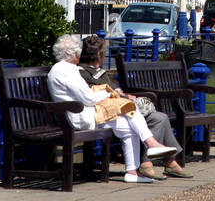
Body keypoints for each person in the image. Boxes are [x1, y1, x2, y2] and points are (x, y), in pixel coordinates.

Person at [47, 34, 178, 183]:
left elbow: (86, 96)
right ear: (75, 54)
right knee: (130, 107)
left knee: (129, 125)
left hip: (83, 114)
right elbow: (89, 99)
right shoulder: (67, 71)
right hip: (79, 118)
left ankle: (132, 171)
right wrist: (107, 92)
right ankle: (151, 144)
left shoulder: (63, 69)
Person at [77, 35, 192, 179]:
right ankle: (147, 163)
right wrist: (122, 96)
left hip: (121, 109)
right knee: (155, 119)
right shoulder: (82, 73)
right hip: (111, 113)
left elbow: (112, 90)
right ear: (99, 55)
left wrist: (123, 94)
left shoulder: (98, 71)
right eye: (103, 53)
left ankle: (168, 162)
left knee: (159, 117)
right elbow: (96, 95)